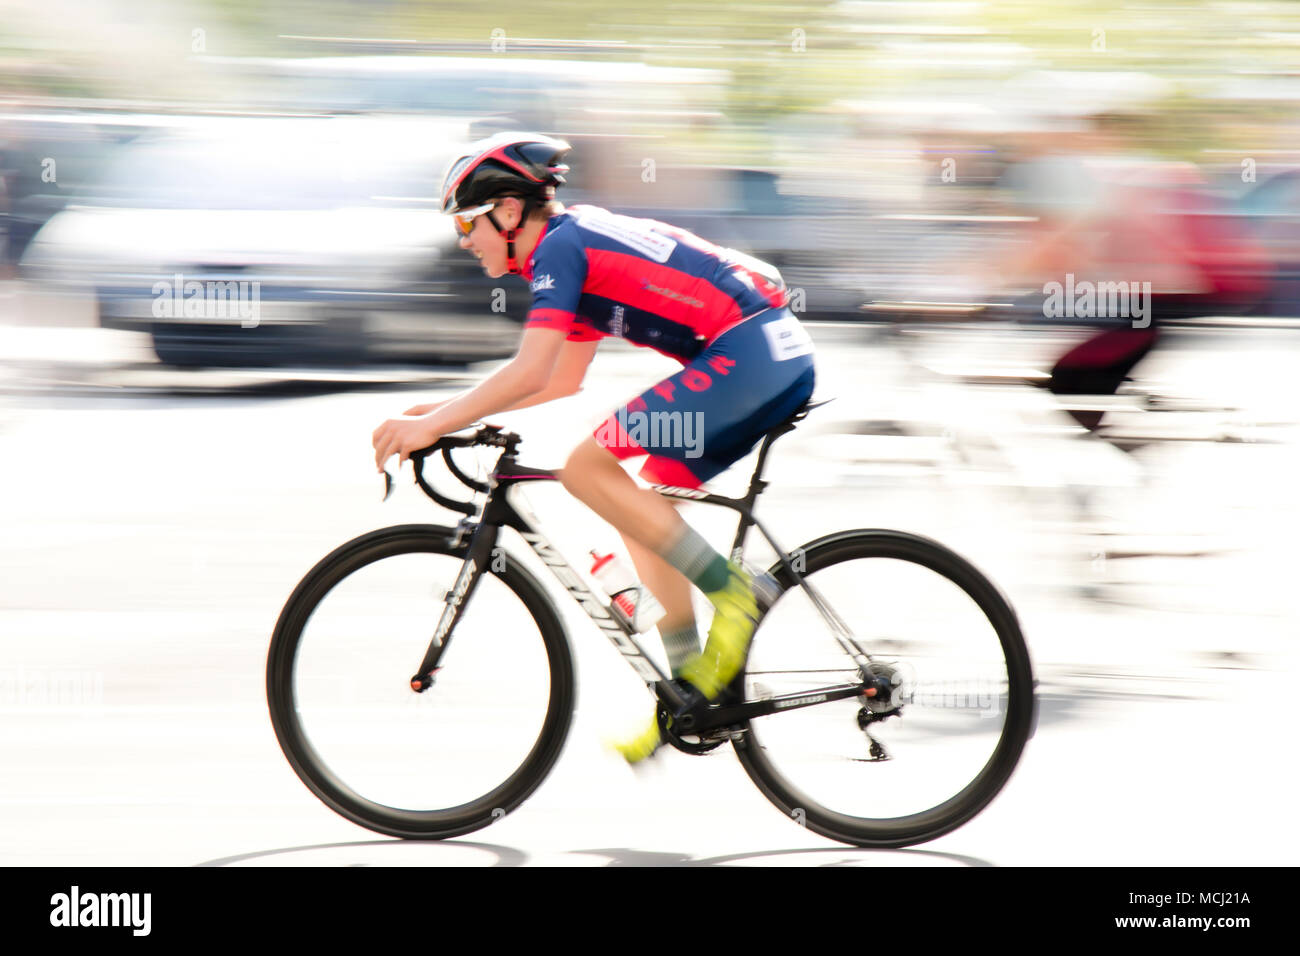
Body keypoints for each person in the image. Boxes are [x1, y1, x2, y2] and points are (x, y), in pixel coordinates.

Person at [371, 132, 816, 762]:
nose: (462, 240)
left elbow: (530, 373)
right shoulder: (568, 246)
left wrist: (434, 422)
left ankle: (735, 595)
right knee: (636, 508)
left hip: (753, 355)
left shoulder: (561, 249)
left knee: (588, 468)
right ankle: (690, 689)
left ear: (506, 211)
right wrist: (442, 416)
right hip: (765, 356)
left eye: (467, 222)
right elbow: (558, 378)